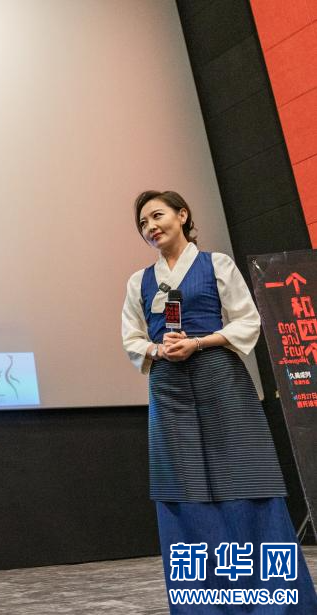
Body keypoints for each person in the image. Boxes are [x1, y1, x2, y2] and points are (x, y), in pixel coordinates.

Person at [121, 190, 317, 612]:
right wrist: (158, 349)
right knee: (181, 490)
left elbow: (247, 320)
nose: (150, 227)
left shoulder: (216, 265)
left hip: (220, 379)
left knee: (248, 480)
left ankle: (276, 604)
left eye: (157, 216)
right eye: (143, 223)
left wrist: (198, 342)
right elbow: (132, 337)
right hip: (168, 390)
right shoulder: (139, 281)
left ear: (182, 215)